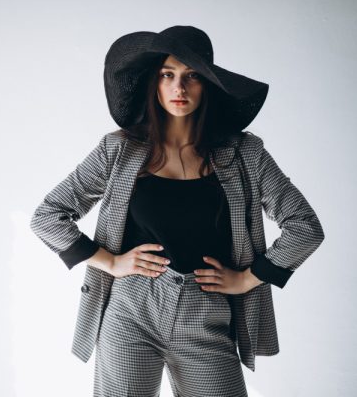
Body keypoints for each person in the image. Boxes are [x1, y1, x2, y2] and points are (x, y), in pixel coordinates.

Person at [30, 25, 325, 397]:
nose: (179, 88)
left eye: (192, 77)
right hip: (131, 311)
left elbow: (305, 227)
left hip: (207, 314)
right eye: (168, 75)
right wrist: (110, 261)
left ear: (209, 85)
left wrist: (249, 278)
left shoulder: (244, 154)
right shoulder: (118, 150)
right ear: (154, 83)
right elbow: (49, 215)